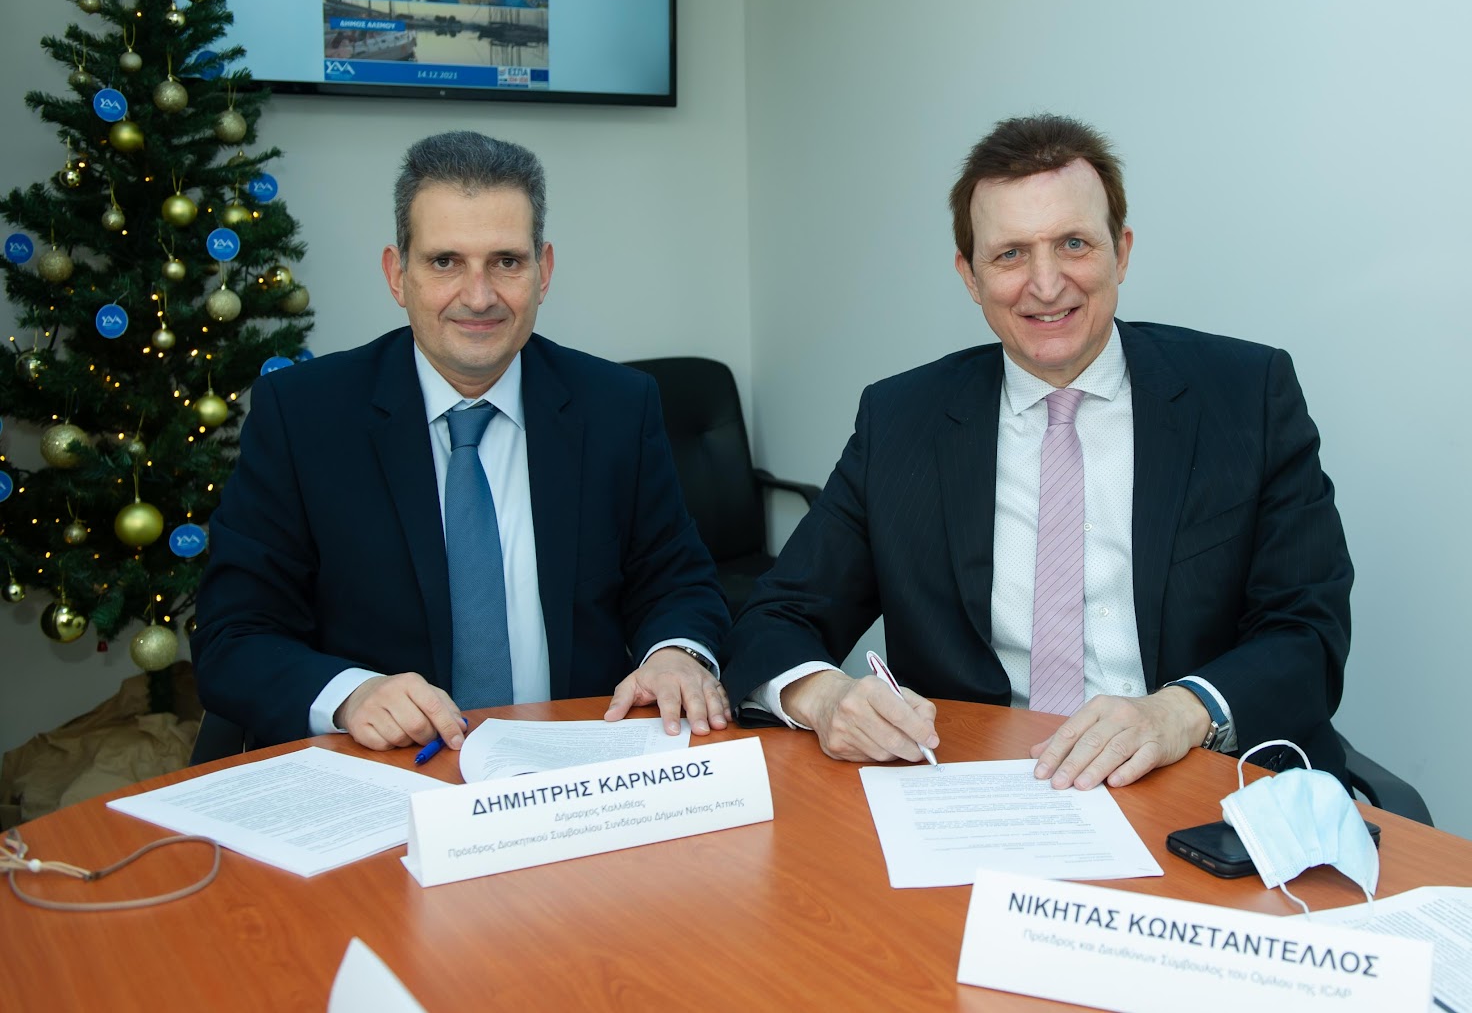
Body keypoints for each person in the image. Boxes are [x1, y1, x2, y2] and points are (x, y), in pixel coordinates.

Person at [721, 114, 1352, 790]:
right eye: (1010, 255)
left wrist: (1179, 712)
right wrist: (825, 698)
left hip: (1197, 785)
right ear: (970, 275)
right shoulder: (902, 421)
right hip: (977, 793)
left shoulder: (1246, 396)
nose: (1046, 285)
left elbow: (1307, 632)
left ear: (1121, 252)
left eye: (1073, 244)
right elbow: (777, 616)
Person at [193, 131, 730, 753]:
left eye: (506, 262)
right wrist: (350, 695)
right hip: (388, 768)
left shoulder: (617, 406)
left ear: (543, 271)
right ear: (398, 275)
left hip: (574, 764)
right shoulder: (302, 415)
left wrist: (675, 653)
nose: (479, 297)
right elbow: (234, 633)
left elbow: (676, 581)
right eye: (445, 262)